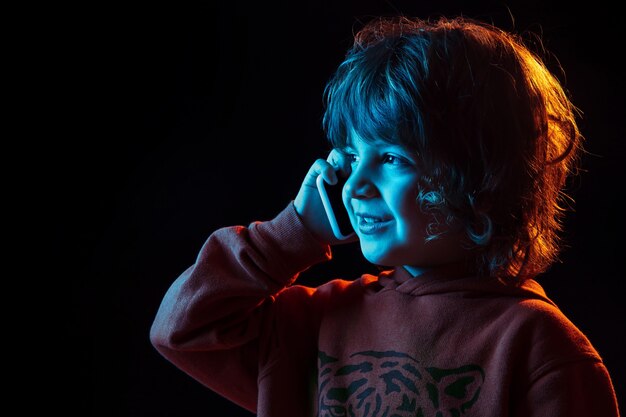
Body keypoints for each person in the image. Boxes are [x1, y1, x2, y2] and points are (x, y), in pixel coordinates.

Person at [150, 15, 621, 416]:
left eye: (392, 159)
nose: (355, 185)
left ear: (483, 179)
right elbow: (181, 330)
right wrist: (291, 232)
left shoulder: (541, 349)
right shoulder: (311, 322)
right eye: (351, 157)